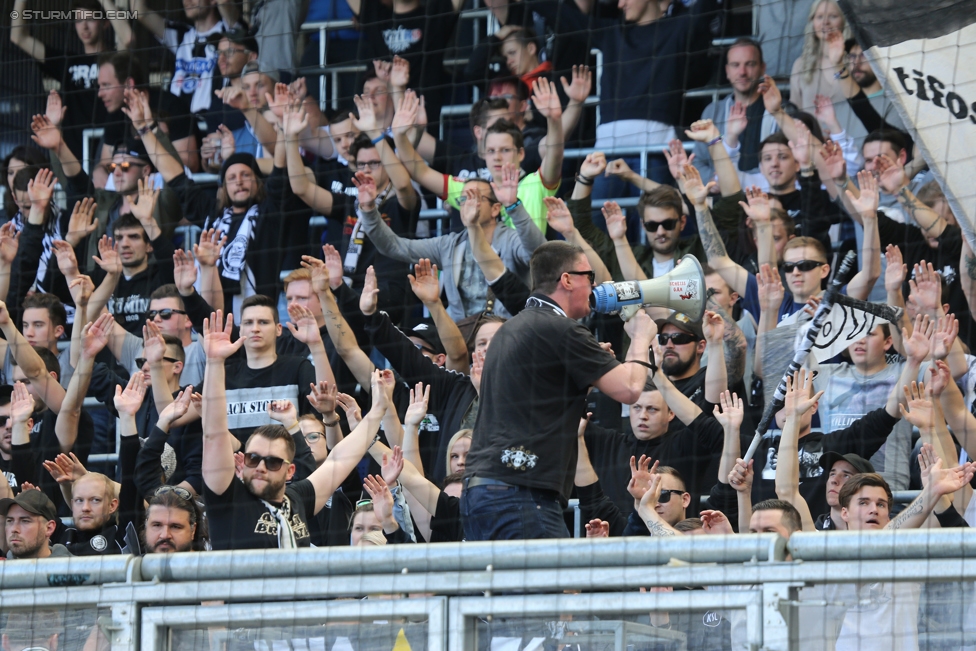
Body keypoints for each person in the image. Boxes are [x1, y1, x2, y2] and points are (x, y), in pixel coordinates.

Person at [462, 241, 658, 540]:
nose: (594, 286)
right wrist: (642, 337)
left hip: (483, 492)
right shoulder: (560, 329)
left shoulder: (511, 329)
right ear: (567, 279)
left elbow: (543, 385)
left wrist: (588, 365)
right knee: (550, 587)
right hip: (522, 494)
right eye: (589, 277)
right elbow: (631, 389)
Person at [200, 309, 387, 550]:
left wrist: (379, 409)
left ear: (290, 472)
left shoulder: (297, 500)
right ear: (241, 461)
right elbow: (213, 434)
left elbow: (340, 459)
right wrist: (215, 363)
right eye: (253, 458)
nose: (261, 467)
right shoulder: (226, 500)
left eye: (273, 462)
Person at [358, 169, 545, 320]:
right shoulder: (449, 245)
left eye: (476, 197)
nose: (467, 204)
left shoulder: (510, 239)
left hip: (505, 333)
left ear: (496, 209)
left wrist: (514, 206)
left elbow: (539, 255)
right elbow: (393, 246)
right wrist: (368, 210)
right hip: (459, 337)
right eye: (463, 198)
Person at [9, 0, 131, 163]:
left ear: (105, 22)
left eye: (91, 19)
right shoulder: (67, 62)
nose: (84, 26)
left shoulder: (115, 60)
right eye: (79, 20)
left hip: (114, 145)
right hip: (76, 153)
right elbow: (18, 37)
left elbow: (128, 39)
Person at [133, 0, 240, 122]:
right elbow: (140, 13)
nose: (187, 2)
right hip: (177, 124)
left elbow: (225, 4)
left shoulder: (229, 33)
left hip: (212, 125)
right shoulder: (182, 34)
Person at [694, 39, 779, 190]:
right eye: (735, 65)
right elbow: (697, 162)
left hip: (769, 198)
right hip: (723, 200)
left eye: (750, 64)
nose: (742, 72)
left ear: (762, 68)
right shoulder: (712, 112)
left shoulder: (780, 111)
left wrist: (735, 181)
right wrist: (713, 180)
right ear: (727, 71)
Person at [59, 472, 123, 555]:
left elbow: (138, 498)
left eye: (95, 500)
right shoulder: (62, 536)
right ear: (72, 505)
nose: (85, 508)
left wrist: (86, 473)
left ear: (112, 505)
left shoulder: (122, 535)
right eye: (79, 500)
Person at [1, 488, 71, 559]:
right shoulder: (2, 567)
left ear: (49, 528)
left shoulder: (76, 568)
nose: (14, 529)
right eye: (10, 521)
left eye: (25, 521)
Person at [142, 485, 208, 553]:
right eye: (157, 525)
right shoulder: (134, 563)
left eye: (175, 527)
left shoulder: (210, 563)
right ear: (146, 526)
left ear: (193, 530)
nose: (164, 535)